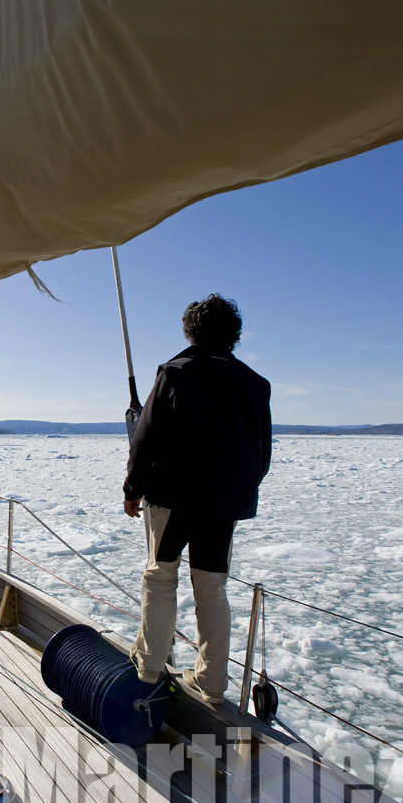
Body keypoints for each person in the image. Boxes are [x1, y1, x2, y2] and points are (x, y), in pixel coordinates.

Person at [123, 294, 271, 705]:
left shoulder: (176, 372)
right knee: (211, 587)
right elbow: (262, 454)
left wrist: (132, 489)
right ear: (234, 335)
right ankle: (212, 683)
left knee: (161, 575)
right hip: (225, 505)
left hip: (174, 498)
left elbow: (145, 438)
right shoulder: (256, 385)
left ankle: (149, 667)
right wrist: (235, 492)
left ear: (189, 330)